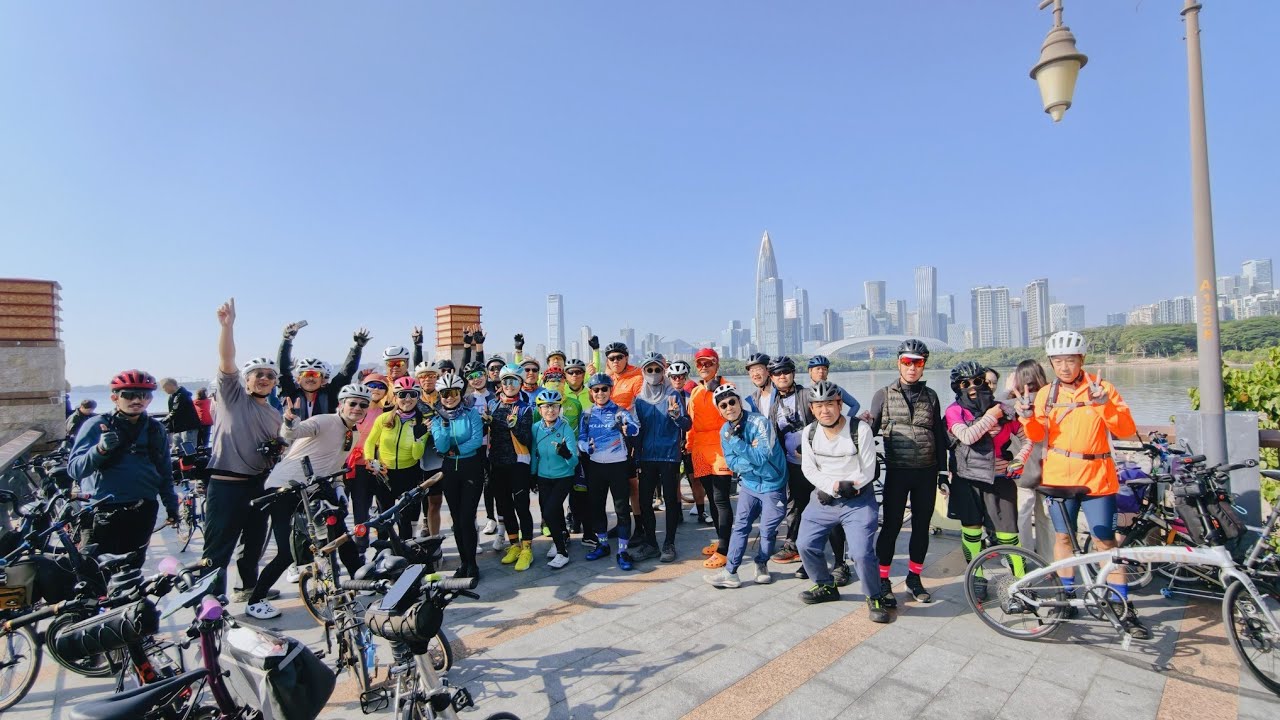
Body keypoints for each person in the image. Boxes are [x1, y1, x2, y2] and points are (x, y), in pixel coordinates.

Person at [1016, 331, 1147, 638]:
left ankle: (1121, 605)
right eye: (1058, 361)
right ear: (1051, 363)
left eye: (1070, 360)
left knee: (1105, 542)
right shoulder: (1046, 394)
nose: (1064, 367)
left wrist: (1103, 405)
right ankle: (1064, 598)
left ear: (1082, 360)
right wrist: (1025, 417)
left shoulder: (1103, 389)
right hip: (1059, 477)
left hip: (1097, 477)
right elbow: (1037, 435)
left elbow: (1126, 430)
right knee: (1063, 538)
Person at [246, 383, 371, 619]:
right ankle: (255, 600)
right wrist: (290, 422)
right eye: (352, 403)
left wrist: (339, 488)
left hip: (315, 488)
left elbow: (335, 466)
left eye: (362, 405)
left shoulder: (352, 433)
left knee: (341, 536)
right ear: (341, 405)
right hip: (284, 488)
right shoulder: (325, 421)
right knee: (287, 551)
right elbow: (292, 433)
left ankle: (359, 580)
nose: (357, 408)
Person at [202, 298, 284, 599]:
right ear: (246, 380)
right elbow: (226, 361)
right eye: (257, 374)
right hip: (226, 484)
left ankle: (248, 588)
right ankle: (210, 600)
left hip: (259, 484)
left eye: (269, 376)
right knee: (218, 547)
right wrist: (227, 327)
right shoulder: (231, 397)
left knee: (254, 542)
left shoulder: (275, 413)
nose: (263, 379)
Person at [793, 381, 889, 622]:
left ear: (840, 405)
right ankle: (825, 585)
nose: (825, 410)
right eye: (819, 406)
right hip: (823, 498)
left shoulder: (860, 429)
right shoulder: (810, 432)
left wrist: (843, 487)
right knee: (805, 544)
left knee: (861, 553)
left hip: (857, 498)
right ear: (812, 409)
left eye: (830, 404)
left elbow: (868, 470)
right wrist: (831, 487)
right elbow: (808, 468)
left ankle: (874, 595)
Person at [67, 370, 179, 570]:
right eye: (129, 394)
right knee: (95, 573)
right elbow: (75, 470)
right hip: (102, 512)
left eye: (144, 395)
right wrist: (99, 450)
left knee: (132, 569)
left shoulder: (155, 429)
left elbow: (164, 471)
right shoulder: (95, 425)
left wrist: (171, 505)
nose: (137, 400)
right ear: (114, 398)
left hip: (142, 509)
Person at [864, 339, 948, 606]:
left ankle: (914, 578)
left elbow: (939, 435)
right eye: (907, 362)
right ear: (899, 363)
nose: (912, 368)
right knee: (891, 526)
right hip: (898, 473)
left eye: (918, 363)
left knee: (921, 527)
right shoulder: (883, 394)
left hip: (926, 472)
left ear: (924, 365)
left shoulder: (931, 396)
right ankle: (883, 579)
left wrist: (944, 472)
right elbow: (869, 431)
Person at [945, 360, 1027, 603]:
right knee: (971, 532)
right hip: (966, 480)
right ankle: (977, 577)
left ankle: (1020, 582)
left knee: (1008, 535)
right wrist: (992, 416)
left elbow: (1027, 437)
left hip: (999, 480)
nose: (972, 387)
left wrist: (1020, 459)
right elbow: (968, 437)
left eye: (977, 381)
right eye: (965, 383)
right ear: (957, 386)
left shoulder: (1004, 408)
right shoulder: (955, 411)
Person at [766, 357, 852, 586]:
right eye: (776, 373)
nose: (781, 376)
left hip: (819, 465)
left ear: (793, 374)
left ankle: (840, 564)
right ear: (771, 378)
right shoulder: (775, 406)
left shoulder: (807, 395)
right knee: (803, 511)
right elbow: (775, 438)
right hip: (794, 467)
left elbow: (827, 421)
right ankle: (811, 558)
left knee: (829, 511)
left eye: (785, 372)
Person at [704, 382, 786, 589]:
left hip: (772, 484)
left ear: (740, 402)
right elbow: (732, 464)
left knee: (767, 531)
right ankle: (731, 572)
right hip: (749, 485)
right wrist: (749, 453)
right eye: (723, 405)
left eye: (732, 402)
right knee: (740, 527)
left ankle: (762, 563)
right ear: (719, 410)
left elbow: (762, 456)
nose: (729, 407)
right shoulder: (724, 431)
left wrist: (739, 445)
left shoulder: (760, 423)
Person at [578, 373, 641, 570]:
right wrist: (584, 447)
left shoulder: (620, 412)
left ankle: (622, 550)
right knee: (596, 507)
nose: (600, 393)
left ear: (610, 390)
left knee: (622, 509)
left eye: (604, 389)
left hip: (617, 466)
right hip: (596, 466)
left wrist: (628, 428)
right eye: (596, 390)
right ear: (591, 392)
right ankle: (603, 544)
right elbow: (581, 437)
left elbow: (635, 429)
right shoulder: (587, 414)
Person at [633, 352, 691, 563]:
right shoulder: (639, 400)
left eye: (658, 369)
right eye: (650, 370)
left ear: (663, 371)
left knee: (671, 500)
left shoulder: (673, 395)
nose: (654, 373)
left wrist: (676, 416)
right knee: (644, 501)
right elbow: (637, 431)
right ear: (644, 372)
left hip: (669, 456)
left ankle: (669, 543)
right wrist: (636, 456)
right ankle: (651, 543)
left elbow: (687, 425)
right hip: (647, 457)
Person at [430, 373, 487, 579]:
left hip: (471, 467)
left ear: (460, 393)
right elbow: (441, 445)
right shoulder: (437, 419)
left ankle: (472, 564)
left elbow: (476, 440)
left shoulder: (471, 414)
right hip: (449, 471)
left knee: (466, 518)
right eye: (445, 393)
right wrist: (445, 425)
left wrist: (455, 450)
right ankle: (463, 562)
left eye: (453, 393)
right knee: (456, 519)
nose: (449, 397)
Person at [363, 376, 430, 540]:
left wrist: (418, 438)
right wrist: (370, 460)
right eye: (402, 395)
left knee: (405, 519)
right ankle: (382, 552)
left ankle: (405, 553)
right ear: (395, 397)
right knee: (384, 516)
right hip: (385, 473)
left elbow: (417, 455)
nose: (407, 399)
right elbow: (370, 442)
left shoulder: (422, 422)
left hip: (409, 474)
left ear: (418, 396)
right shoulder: (384, 418)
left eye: (412, 394)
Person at [687, 348, 734, 568]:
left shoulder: (727, 387)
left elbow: (734, 416)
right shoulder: (695, 391)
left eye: (708, 363)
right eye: (700, 364)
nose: (704, 367)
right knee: (711, 498)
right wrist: (687, 445)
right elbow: (692, 423)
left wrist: (720, 394)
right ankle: (721, 540)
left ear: (717, 365)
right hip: (699, 449)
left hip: (720, 448)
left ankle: (725, 549)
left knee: (721, 498)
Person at [487, 364, 537, 571]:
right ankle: (514, 544)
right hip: (497, 464)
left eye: (513, 381)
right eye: (505, 381)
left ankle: (527, 548)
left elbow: (527, 439)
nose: (509, 385)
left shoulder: (526, 408)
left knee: (522, 507)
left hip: (518, 464)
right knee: (504, 507)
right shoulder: (492, 405)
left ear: (520, 383)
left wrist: (514, 425)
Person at [276, 322, 370, 420]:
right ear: (299, 379)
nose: (311, 378)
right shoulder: (290, 394)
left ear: (322, 379)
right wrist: (287, 340)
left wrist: (357, 348)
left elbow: (345, 374)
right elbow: (283, 372)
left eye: (315, 374)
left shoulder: (330, 395)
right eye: (306, 374)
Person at [530, 389, 580, 569]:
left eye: (554, 406)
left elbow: (574, 461)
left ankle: (562, 552)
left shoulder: (566, 428)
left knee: (550, 512)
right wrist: (533, 475)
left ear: (560, 408)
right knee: (552, 511)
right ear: (540, 409)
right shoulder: (535, 428)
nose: (550, 410)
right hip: (543, 477)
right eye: (546, 407)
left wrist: (566, 453)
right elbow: (535, 454)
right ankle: (563, 535)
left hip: (563, 477)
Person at [1007, 360, 1052, 557]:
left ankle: (1023, 559)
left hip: (1023, 471)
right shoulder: (1050, 400)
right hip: (1049, 470)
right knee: (1046, 519)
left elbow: (990, 409)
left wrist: (1007, 389)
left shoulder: (1011, 404)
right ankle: (1049, 560)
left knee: (1022, 518)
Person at [347, 372, 388, 559]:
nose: (376, 390)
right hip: (354, 466)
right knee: (360, 509)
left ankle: (382, 548)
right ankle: (360, 548)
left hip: (378, 465)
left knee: (382, 508)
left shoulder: (386, 412)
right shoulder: (351, 408)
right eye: (372, 385)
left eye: (381, 387)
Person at [667, 361, 708, 524]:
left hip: (691, 443)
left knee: (695, 479)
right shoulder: (665, 397)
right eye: (674, 377)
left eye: (681, 376)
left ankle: (701, 511)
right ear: (669, 378)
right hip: (673, 445)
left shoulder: (692, 396)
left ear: (686, 378)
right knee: (675, 480)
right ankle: (678, 513)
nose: (678, 379)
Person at [161, 378, 202, 450]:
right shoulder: (174, 396)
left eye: (164, 388)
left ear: (170, 385)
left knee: (189, 451)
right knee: (175, 451)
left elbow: (174, 412)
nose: (164, 390)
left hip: (188, 428)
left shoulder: (181, 395)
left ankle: (190, 461)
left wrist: (161, 422)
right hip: (179, 429)